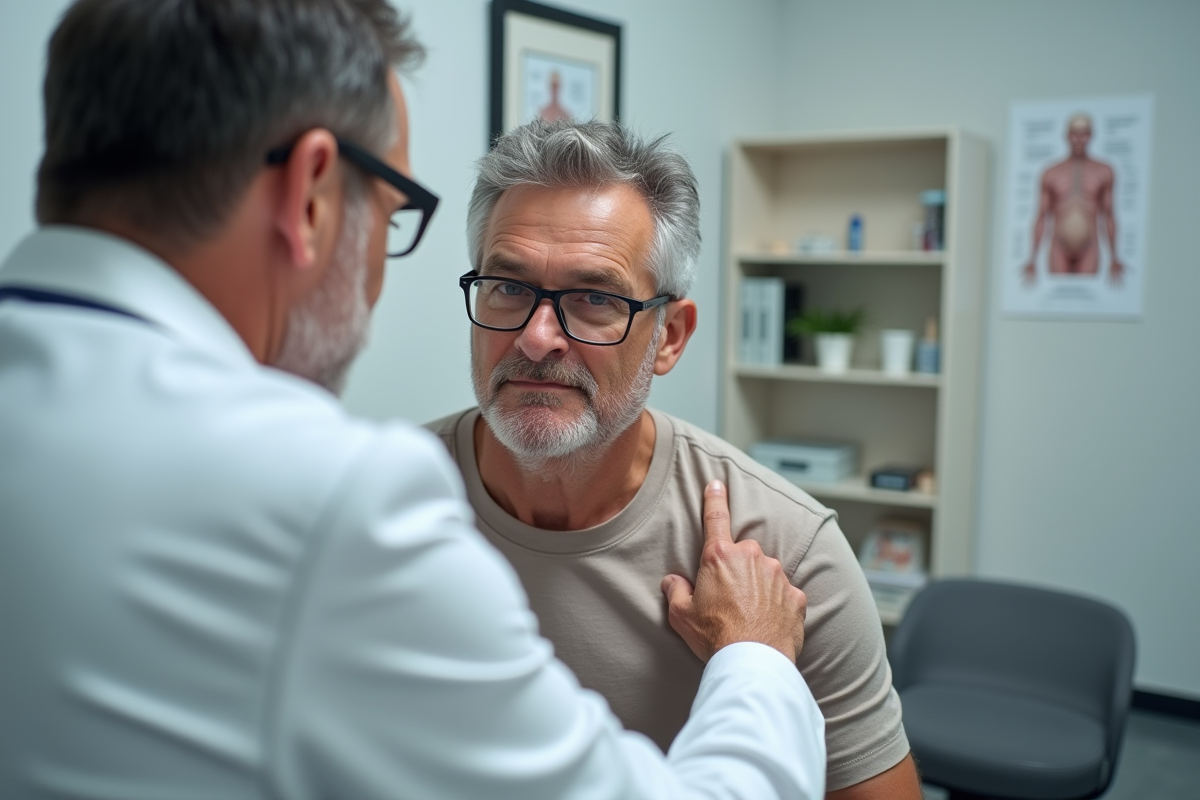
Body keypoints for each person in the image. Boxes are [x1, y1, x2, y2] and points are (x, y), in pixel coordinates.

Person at [0, 2, 828, 798]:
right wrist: (756, 659)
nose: (538, 338)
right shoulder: (332, 502)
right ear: (312, 194)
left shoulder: (793, 538)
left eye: (593, 298)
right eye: (391, 209)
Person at [427, 119, 923, 798]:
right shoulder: (378, 509)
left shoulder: (783, 562)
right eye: (508, 288)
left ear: (670, 337)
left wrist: (751, 656)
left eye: (595, 299)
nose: (537, 338)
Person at [1022, 112, 1123, 285]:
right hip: (1058, 247)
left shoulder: (1104, 171)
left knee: (1087, 296)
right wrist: (1032, 258)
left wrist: (1114, 256)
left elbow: (1109, 215)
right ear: (1067, 135)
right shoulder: (1051, 172)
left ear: (1090, 135)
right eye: (1074, 134)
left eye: (1083, 134)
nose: (1078, 139)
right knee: (1058, 296)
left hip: (1089, 247)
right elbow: (1041, 216)